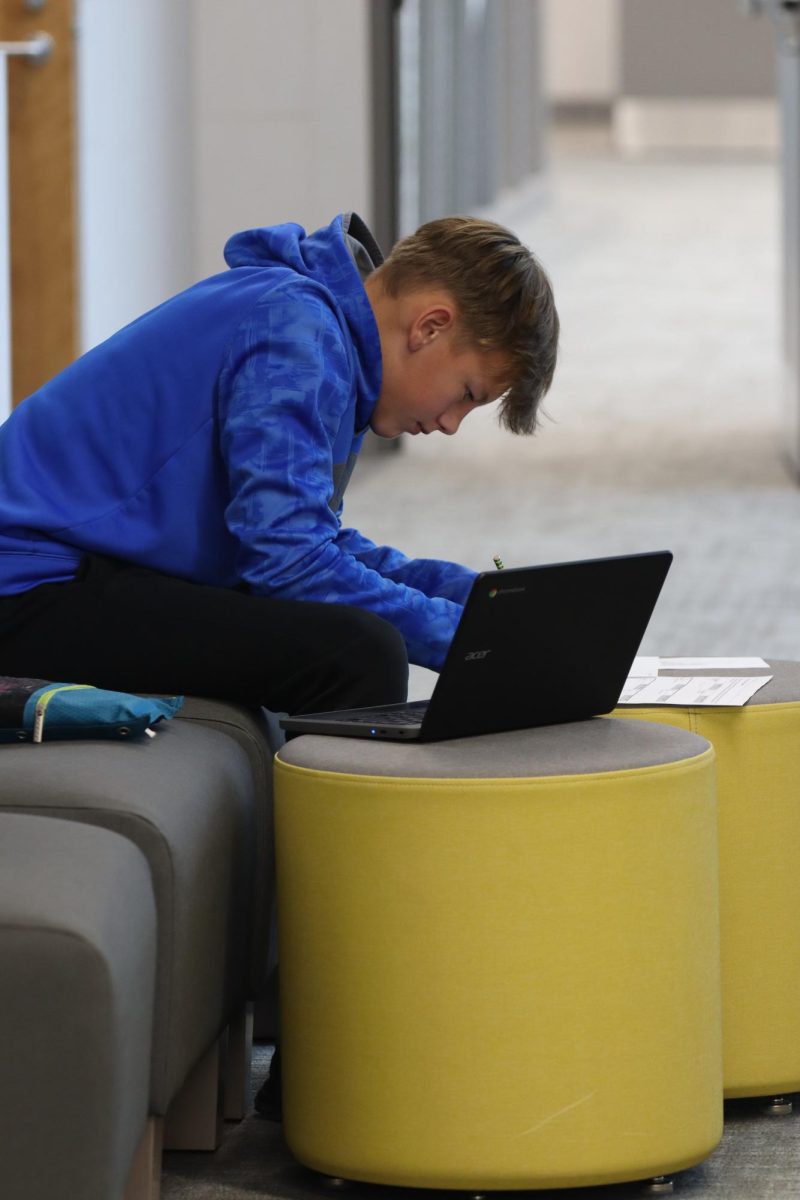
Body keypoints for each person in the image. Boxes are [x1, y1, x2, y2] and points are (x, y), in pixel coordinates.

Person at [0, 209, 559, 1115]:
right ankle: (328, 1063)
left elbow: (315, 543)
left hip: (87, 574)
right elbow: (287, 563)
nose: (451, 425)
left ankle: (315, 1025)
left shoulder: (306, 322)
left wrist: (486, 604)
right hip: (27, 590)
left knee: (352, 635)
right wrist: (467, 644)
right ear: (429, 326)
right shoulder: (294, 329)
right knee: (355, 655)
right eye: (462, 393)